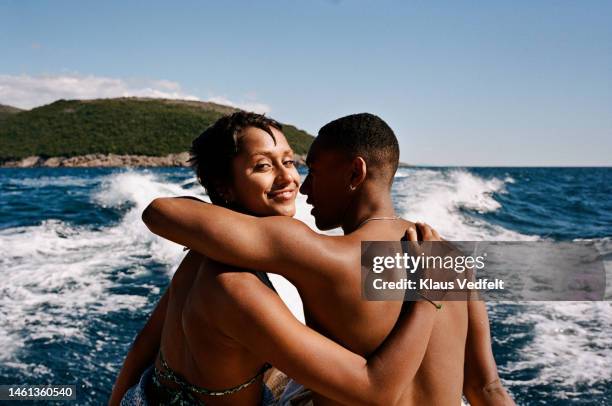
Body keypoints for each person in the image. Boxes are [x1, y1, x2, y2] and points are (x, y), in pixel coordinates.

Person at [138, 113, 515, 405]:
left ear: (355, 172)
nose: (304, 186)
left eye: (313, 171)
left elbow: (161, 212)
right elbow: (487, 387)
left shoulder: (321, 255)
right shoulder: (450, 260)